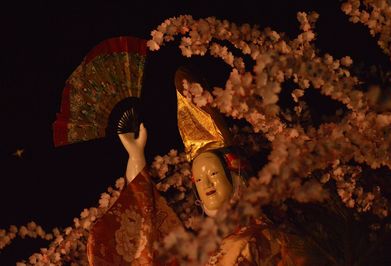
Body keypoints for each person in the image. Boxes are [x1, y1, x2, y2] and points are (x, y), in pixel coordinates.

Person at [87, 67, 305, 266]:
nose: (206, 184)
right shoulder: (199, 251)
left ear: (234, 172)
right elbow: (147, 231)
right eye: (199, 180)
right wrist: (136, 158)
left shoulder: (265, 237)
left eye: (213, 173)